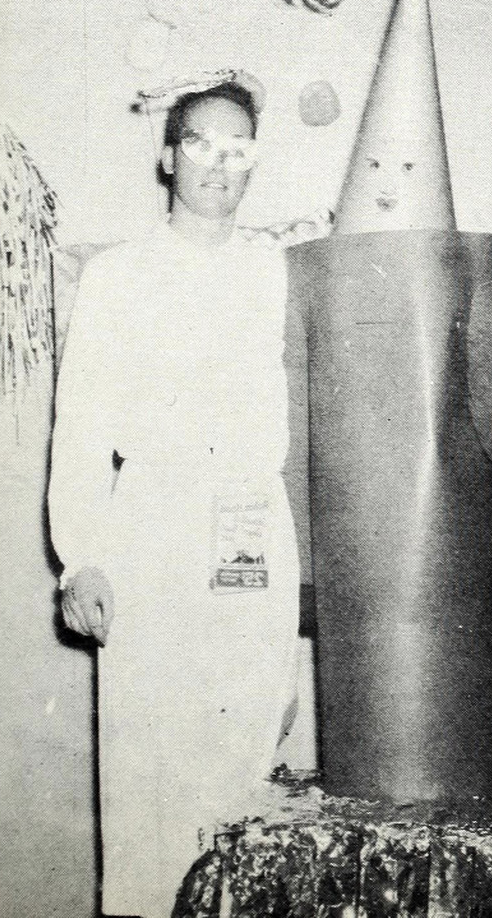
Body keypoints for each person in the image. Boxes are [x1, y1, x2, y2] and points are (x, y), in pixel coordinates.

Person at [48, 79, 302, 918]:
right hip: (151, 524)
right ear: (168, 157)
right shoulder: (119, 276)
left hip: (246, 526)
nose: (219, 166)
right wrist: (82, 557)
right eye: (200, 145)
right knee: (150, 766)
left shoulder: (274, 272)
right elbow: (82, 425)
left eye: (238, 150)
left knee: (244, 747)